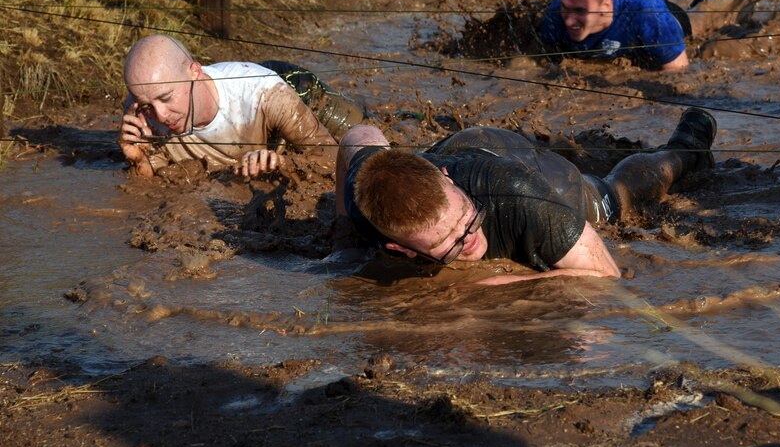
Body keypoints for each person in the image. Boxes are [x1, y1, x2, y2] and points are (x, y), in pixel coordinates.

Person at [335, 107, 717, 285]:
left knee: (614, 197)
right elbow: (358, 136)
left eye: (468, 220)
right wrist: (341, 232)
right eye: (448, 244)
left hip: (522, 175)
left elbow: (606, 276)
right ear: (400, 249)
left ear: (446, 179)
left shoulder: (527, 198)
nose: (469, 242)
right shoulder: (363, 203)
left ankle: (687, 148)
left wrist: (495, 284)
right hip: (467, 156)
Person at [118, 34, 366, 178]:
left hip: (289, 86)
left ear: (196, 72)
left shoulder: (266, 95)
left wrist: (283, 164)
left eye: (166, 97)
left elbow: (331, 160)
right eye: (148, 105)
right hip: (236, 84)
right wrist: (139, 161)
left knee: (360, 135)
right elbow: (149, 191)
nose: (161, 115)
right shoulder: (140, 112)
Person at [539, 0, 763, 70]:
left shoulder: (647, 13)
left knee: (699, 22)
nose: (568, 19)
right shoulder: (554, 15)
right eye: (565, 7)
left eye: (580, 11)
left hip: (665, 15)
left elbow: (680, 72)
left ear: (607, 6)